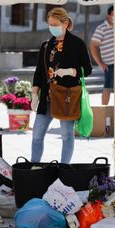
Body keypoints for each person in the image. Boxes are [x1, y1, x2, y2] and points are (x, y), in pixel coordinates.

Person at [30, 7, 92, 164]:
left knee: (66, 135)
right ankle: (33, 166)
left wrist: (71, 71)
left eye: (55, 24)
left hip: (67, 96)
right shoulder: (46, 46)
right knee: (37, 135)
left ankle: (64, 168)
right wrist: (34, 95)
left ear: (65, 23)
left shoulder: (77, 44)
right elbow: (39, 72)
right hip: (47, 98)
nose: (51, 27)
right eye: (50, 24)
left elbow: (88, 69)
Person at [90, 5, 115, 105]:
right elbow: (93, 46)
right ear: (109, 16)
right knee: (107, 88)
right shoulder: (101, 28)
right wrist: (100, 63)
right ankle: (104, 113)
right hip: (110, 63)